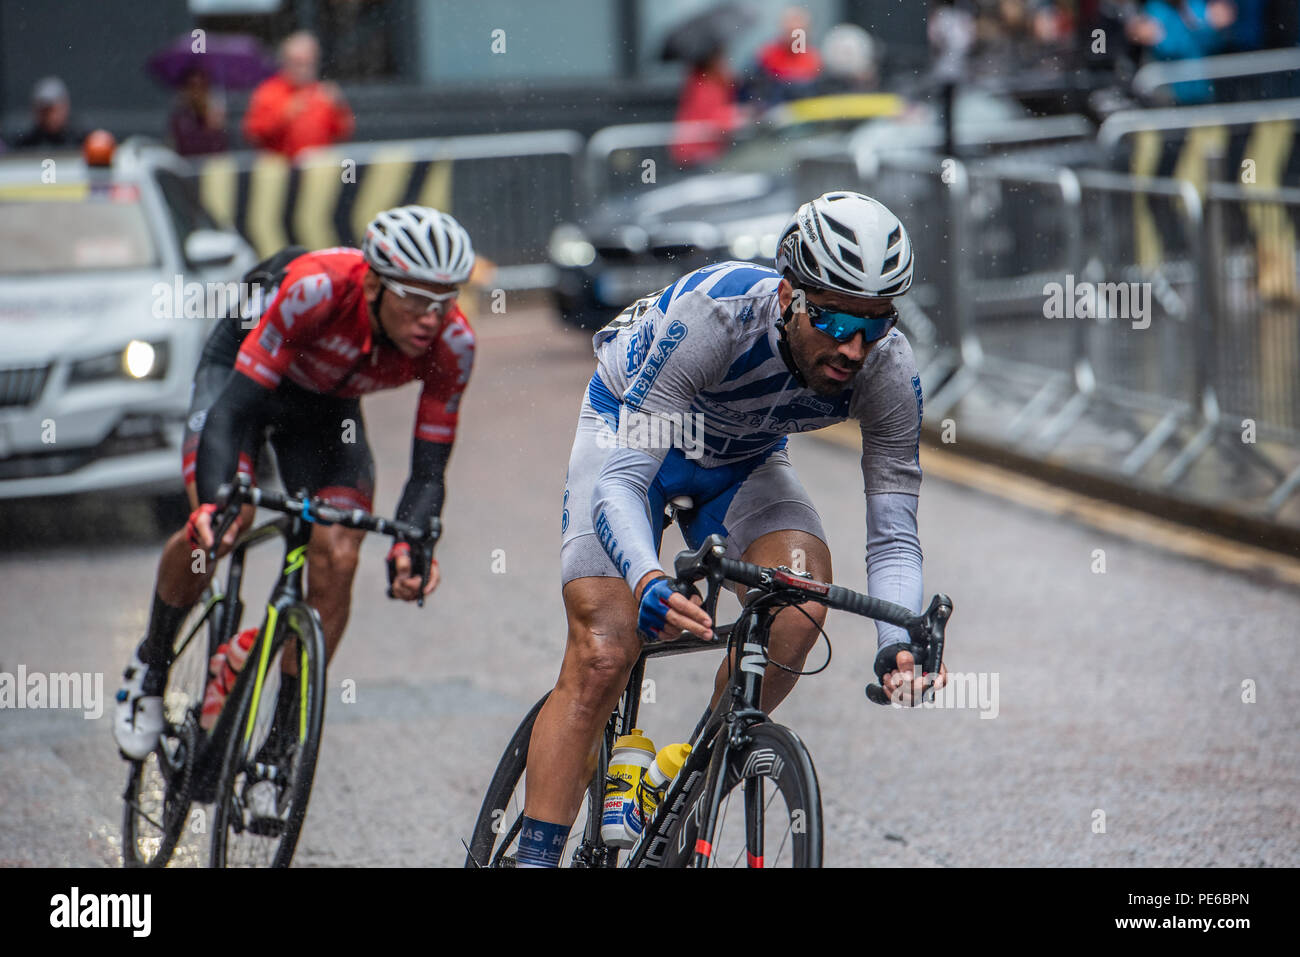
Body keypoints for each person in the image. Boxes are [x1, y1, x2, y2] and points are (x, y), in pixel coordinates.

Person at [516, 191, 948, 867]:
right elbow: (624, 481)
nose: (854, 346)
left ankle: (678, 778)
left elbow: (893, 533)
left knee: (801, 604)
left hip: (743, 458)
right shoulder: (715, 316)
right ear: (788, 297)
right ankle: (536, 856)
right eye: (834, 316)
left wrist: (898, 639)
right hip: (633, 439)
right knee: (606, 648)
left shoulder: (888, 369)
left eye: (877, 321)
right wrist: (647, 577)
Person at [113, 206, 477, 768]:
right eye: (415, 297)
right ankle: (150, 668)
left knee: (339, 553)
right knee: (222, 528)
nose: (432, 317)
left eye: (445, 299)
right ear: (376, 283)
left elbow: (429, 470)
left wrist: (412, 544)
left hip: (327, 411)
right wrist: (214, 501)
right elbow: (233, 411)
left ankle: (280, 748)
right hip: (242, 383)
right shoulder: (315, 289)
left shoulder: (453, 344)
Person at [242, 31, 354, 157]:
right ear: (284, 62)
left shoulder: (324, 93)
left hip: (317, 168)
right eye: (298, 63)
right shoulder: (268, 92)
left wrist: (339, 108)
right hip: (281, 167)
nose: (303, 70)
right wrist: (285, 115)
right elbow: (253, 134)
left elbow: (343, 133)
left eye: (309, 64)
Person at [670, 47, 745, 168]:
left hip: (701, 151)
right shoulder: (708, 87)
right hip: (698, 152)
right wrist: (737, 117)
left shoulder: (707, 83)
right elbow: (712, 120)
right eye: (721, 60)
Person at [169, 67, 229, 157]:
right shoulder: (180, 117)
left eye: (202, 86)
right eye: (193, 86)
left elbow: (219, 148)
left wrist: (216, 126)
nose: (197, 91)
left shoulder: (215, 113)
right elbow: (182, 145)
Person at [13, 76, 84, 150]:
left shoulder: (81, 139)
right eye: (43, 110)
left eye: (51, 110)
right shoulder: (24, 142)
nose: (48, 117)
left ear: (65, 106)